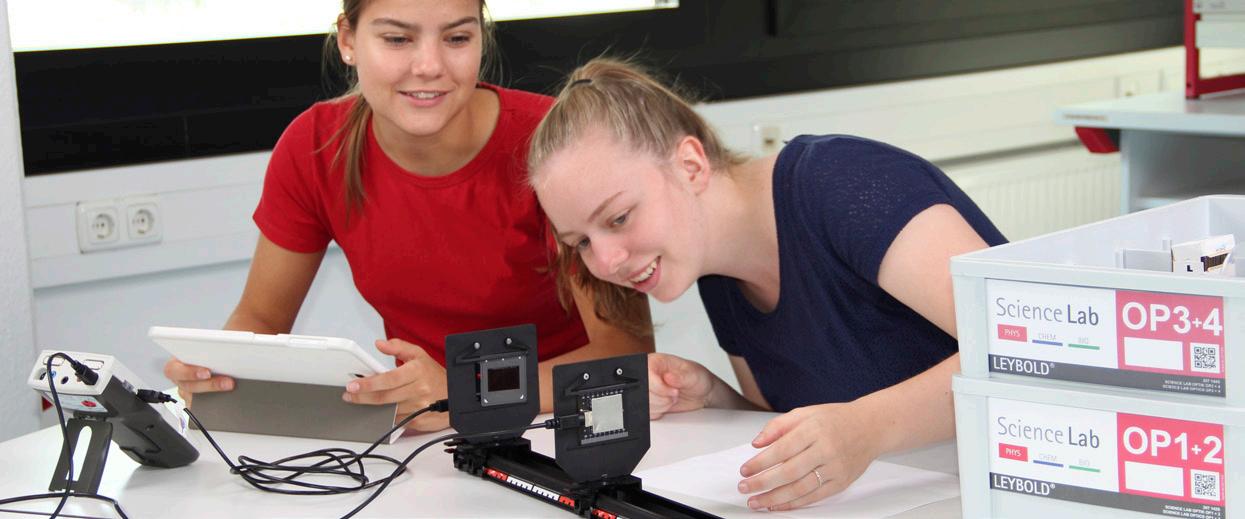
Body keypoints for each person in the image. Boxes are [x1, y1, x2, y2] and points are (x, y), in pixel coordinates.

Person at [526, 58, 1007, 511]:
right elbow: (794, 417)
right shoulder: (716, 274)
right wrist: (713, 396)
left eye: (618, 217)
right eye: (580, 242)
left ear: (691, 164)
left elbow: (1023, 353)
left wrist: (869, 428)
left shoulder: (841, 182)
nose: (605, 261)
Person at [162, 0, 653, 432]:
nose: (430, 66)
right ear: (348, 40)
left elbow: (627, 352)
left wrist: (466, 392)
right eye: (397, 39)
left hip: (564, 423)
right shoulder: (315, 145)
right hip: (425, 434)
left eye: (457, 38)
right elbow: (262, 318)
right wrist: (217, 370)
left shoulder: (556, 145)